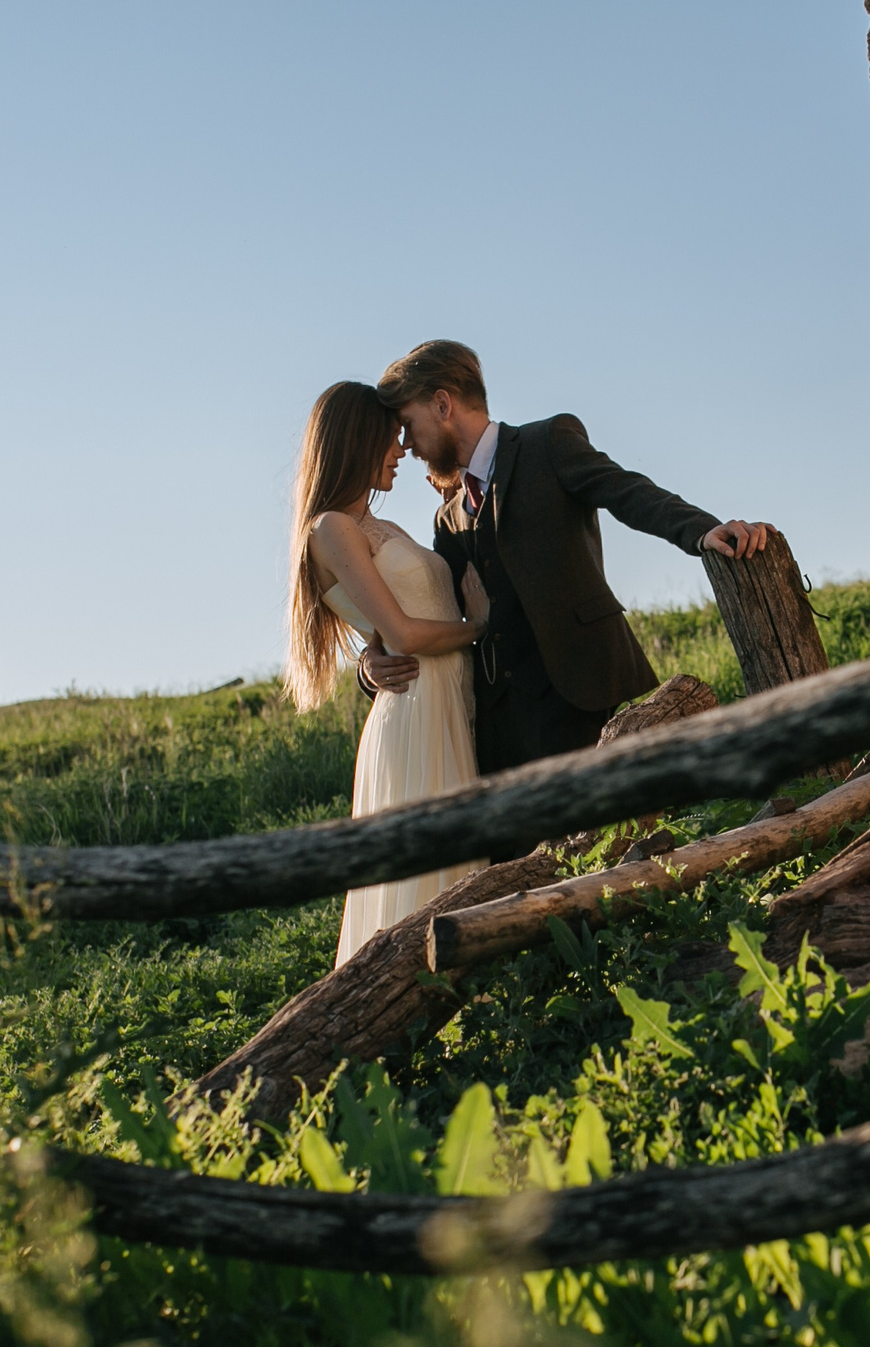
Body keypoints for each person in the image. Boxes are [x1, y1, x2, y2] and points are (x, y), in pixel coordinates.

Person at [362, 340, 779, 774]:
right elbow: (430, 604)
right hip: (501, 726)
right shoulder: (449, 518)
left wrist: (701, 530)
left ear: (443, 405)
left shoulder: (547, 442)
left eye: (408, 424)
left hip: (583, 694)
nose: (407, 444)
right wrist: (369, 661)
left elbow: (626, 491)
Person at [283, 381, 494, 965]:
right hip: (415, 714)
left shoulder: (382, 527)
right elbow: (401, 635)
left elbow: (385, 633)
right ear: (356, 441)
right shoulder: (331, 529)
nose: (401, 450)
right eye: (389, 439)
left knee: (459, 865)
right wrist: (479, 626)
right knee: (428, 882)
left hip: (445, 699)